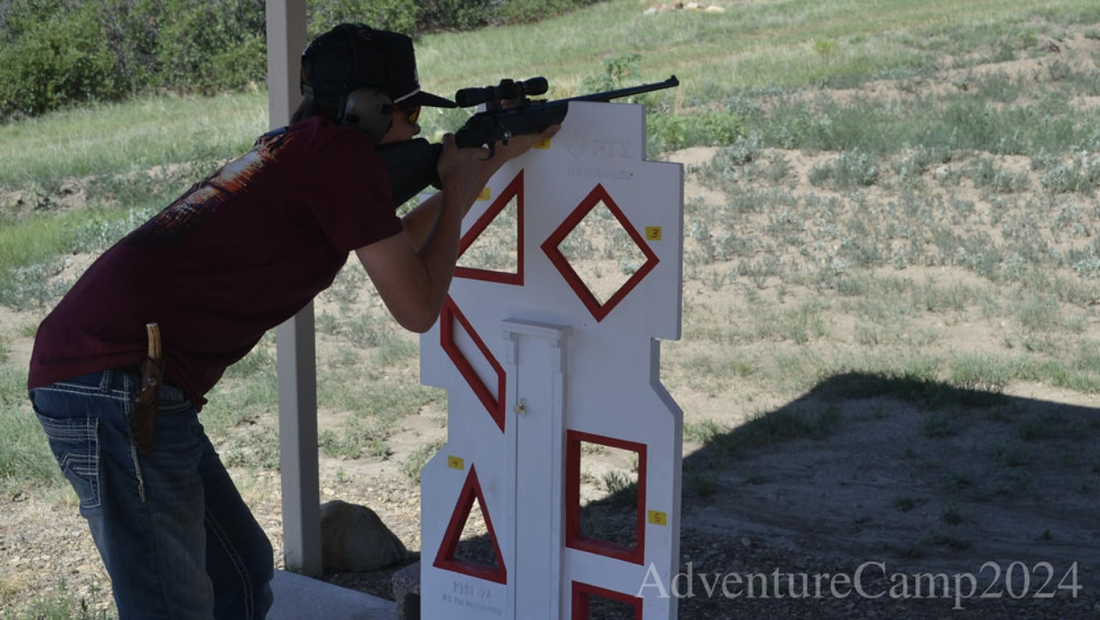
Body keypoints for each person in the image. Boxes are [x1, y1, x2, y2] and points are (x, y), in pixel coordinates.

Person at [26, 22, 559, 619]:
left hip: (118, 373)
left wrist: (480, 170)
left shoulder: (302, 147)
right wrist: (458, 190)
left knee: (239, 573)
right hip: (115, 379)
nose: (417, 128)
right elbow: (417, 308)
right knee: (173, 605)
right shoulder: (342, 159)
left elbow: (402, 248)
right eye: (410, 111)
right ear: (368, 109)